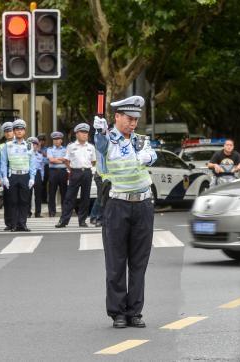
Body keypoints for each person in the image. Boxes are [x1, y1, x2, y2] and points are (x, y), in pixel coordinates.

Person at [93, 95, 157, 329]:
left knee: (139, 262)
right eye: (129, 119)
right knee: (116, 262)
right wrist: (99, 132)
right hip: (117, 205)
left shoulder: (141, 141)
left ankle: (135, 312)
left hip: (143, 205)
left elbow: (152, 155)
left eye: (135, 119)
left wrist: (146, 156)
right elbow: (100, 149)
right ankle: (118, 312)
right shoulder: (106, 139)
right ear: (117, 117)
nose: (133, 123)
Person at [55, 123, 96, 228]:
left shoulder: (91, 147)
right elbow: (67, 160)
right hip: (75, 172)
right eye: (82, 132)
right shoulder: (71, 146)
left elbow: (93, 162)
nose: (84, 134)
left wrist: (87, 169)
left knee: (85, 198)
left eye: (86, 132)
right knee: (69, 197)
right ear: (77, 134)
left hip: (87, 172)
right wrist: (72, 169)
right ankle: (63, 220)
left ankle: (82, 221)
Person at [0, 119, 36, 232]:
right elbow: (4, 162)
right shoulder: (8, 145)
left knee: (24, 201)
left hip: (25, 175)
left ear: (24, 131)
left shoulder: (29, 146)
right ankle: (14, 224)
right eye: (17, 129)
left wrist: (32, 177)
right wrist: (4, 177)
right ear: (14, 131)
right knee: (13, 201)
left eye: (21, 129)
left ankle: (23, 224)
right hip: (13, 175)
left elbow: (32, 163)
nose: (19, 132)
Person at [0, 122, 15, 230]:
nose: (8, 133)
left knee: (16, 199)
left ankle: (16, 222)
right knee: (8, 200)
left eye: (10, 131)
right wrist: (1, 177)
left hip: (16, 171)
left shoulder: (18, 144)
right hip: (6, 174)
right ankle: (9, 223)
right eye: (6, 132)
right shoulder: (2, 146)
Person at [47, 131, 68, 217]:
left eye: (58, 139)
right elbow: (51, 160)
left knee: (64, 192)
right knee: (52, 192)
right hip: (53, 172)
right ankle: (52, 212)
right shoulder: (50, 149)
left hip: (63, 172)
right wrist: (61, 160)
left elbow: (67, 159)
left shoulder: (65, 149)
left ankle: (64, 211)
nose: (56, 141)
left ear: (61, 140)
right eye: (54, 139)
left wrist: (57, 159)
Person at [27, 137, 45, 218]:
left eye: (35, 144)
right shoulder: (26, 154)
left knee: (38, 195)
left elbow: (42, 167)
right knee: (28, 194)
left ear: (37, 145)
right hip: (28, 174)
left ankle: (38, 213)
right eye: (31, 144)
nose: (33, 146)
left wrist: (42, 177)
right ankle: (28, 212)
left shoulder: (40, 155)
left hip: (37, 174)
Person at [37, 134, 49, 204]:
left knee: (44, 184)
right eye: (40, 140)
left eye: (42, 140)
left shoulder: (47, 149)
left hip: (46, 167)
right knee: (39, 184)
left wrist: (41, 152)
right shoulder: (35, 148)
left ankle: (44, 199)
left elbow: (49, 157)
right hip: (38, 167)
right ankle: (39, 199)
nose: (41, 142)